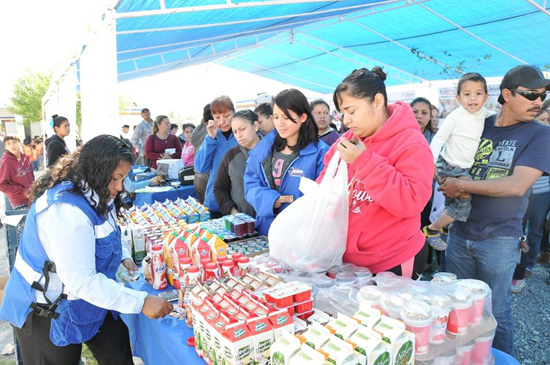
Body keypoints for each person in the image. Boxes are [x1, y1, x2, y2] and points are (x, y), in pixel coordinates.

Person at [0, 135, 173, 364]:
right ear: (97, 171)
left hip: (85, 300)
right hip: (44, 310)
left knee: (117, 351)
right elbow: (81, 281)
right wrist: (141, 301)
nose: (120, 186)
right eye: (116, 178)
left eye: (123, 178)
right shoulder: (65, 210)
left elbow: (106, 230)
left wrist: (123, 255)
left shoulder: (98, 191)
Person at [439, 65, 550, 356]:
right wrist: (445, 179)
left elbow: (517, 185)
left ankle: (502, 359)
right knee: (457, 303)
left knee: (494, 310)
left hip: (500, 237)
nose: (538, 102)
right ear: (506, 94)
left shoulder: (540, 134)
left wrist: (465, 186)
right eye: (530, 95)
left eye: (542, 95)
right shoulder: (479, 122)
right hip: (460, 231)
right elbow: (446, 156)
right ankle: (462, 358)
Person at [316, 67, 433, 277]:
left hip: (392, 260)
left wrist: (364, 162)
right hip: (347, 261)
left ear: (377, 102)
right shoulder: (348, 140)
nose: (346, 120)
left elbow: (412, 201)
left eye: (352, 111)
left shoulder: (411, 143)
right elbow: (325, 184)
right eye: (343, 113)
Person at [423, 73, 494, 250]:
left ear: (486, 97)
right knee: (462, 207)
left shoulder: (486, 114)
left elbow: (500, 120)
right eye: (467, 94)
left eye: (478, 94)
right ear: (458, 98)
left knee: (452, 203)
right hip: (449, 166)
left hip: (465, 168)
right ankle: (432, 229)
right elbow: (438, 139)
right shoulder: (455, 116)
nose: (473, 98)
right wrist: (430, 163)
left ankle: (446, 229)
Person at [244, 89, 329, 236]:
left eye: (286, 117)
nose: (280, 123)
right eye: (276, 117)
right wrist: (271, 200)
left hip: (301, 234)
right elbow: (250, 184)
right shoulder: (263, 150)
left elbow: (325, 199)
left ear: (302, 117)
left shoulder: (321, 153)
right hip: (266, 230)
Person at [195, 96, 238, 217]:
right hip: (216, 203)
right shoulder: (211, 136)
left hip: (241, 203)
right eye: (217, 117)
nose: (222, 121)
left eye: (226, 116)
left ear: (234, 113)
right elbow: (200, 167)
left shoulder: (242, 135)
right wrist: (210, 138)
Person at [214, 110, 260, 217]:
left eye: (242, 129)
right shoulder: (230, 157)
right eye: (234, 131)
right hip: (244, 225)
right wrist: (233, 212)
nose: (238, 135)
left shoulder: (273, 152)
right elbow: (219, 189)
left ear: (255, 126)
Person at [0, 136, 35, 210]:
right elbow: (2, 185)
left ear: (20, 143)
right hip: (19, 201)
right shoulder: (7, 161)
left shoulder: (25, 156)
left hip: (32, 197)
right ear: (6, 147)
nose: (12, 146)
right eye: (8, 144)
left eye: (14, 142)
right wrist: (22, 191)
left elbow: (31, 176)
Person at [191, 104, 213, 203]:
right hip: (209, 176)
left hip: (199, 176)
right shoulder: (213, 130)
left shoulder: (198, 130)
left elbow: (193, 139)